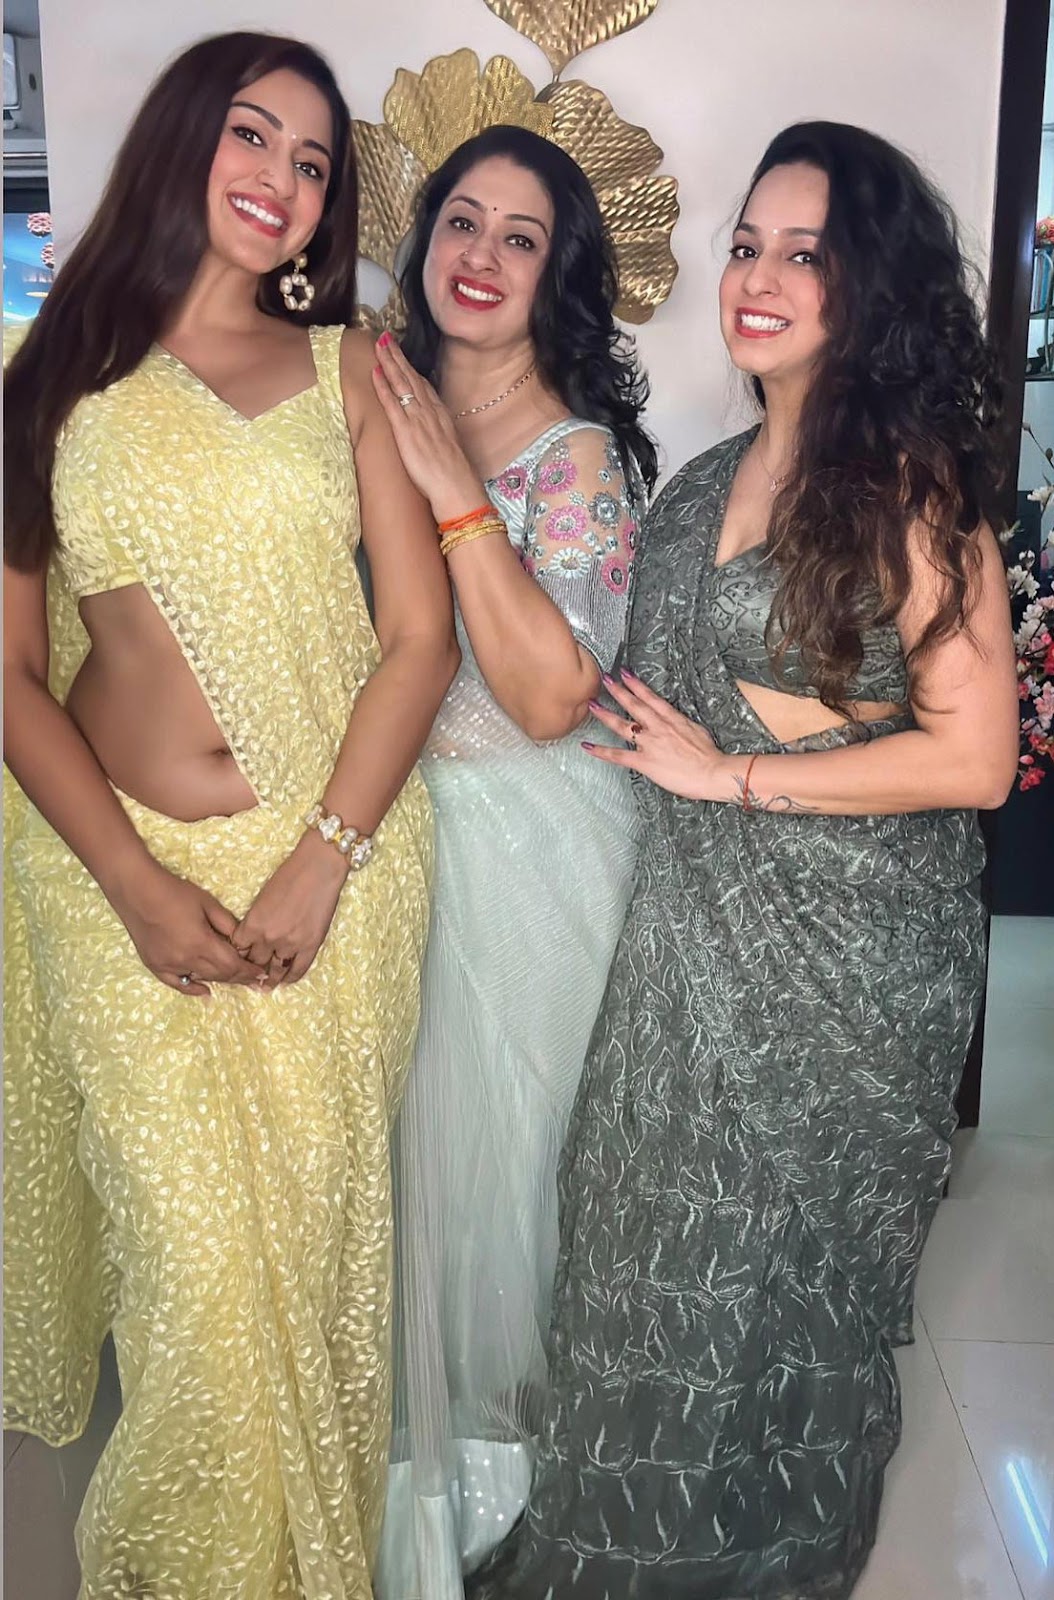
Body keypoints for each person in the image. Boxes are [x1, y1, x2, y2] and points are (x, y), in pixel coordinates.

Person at [468, 121, 1019, 1600]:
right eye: (745, 247)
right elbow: (629, 690)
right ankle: (608, 1554)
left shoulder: (908, 487)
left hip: (847, 971)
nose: (758, 279)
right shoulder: (701, 483)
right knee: (630, 1250)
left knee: (775, 1285)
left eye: (804, 255)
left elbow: (973, 760)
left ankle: (757, 1560)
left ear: (869, 285)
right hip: (682, 940)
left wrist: (735, 774)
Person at [3, 31, 458, 1599]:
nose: (283, 180)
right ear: (184, 138)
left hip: (331, 878)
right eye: (254, 137)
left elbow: (420, 641)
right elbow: (12, 674)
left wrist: (324, 862)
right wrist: (134, 885)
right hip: (112, 886)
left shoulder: (351, 371)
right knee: (193, 1288)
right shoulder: (50, 380)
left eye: (313, 162)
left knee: (307, 1272)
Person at [367, 125, 657, 1599]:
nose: (479, 257)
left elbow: (548, 697)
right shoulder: (365, 389)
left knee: (492, 1181)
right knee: (384, 1170)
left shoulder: (576, 455)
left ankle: (483, 1501)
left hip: (527, 848)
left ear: (558, 276)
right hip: (379, 827)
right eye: (461, 222)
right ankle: (390, 1483)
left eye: (520, 237)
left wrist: (447, 479)